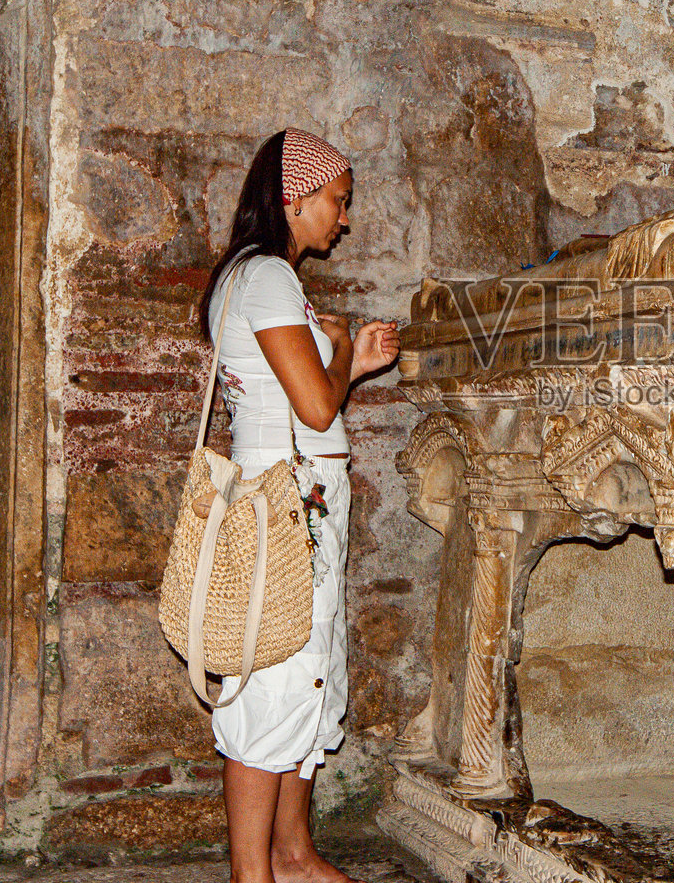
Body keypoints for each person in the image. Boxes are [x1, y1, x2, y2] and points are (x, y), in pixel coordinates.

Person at [197, 129, 399, 883]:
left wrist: (355, 359)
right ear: (296, 197)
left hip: (300, 499)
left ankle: (293, 853)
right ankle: (256, 872)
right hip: (288, 503)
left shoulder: (260, 279)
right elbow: (316, 406)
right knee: (273, 673)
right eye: (338, 202)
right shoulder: (268, 278)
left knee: (308, 669)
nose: (343, 220)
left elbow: (304, 393)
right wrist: (342, 350)